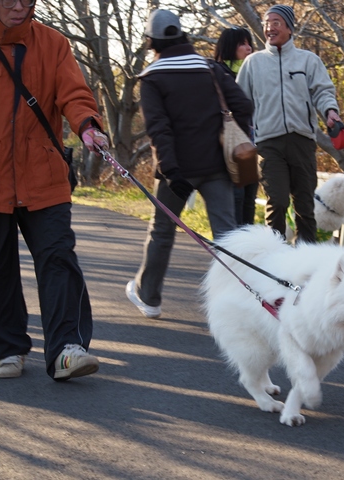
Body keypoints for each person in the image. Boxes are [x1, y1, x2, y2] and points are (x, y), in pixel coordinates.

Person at [0, 0, 108, 380]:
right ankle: (8, 348)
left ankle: (66, 349)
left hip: (43, 175)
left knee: (58, 257)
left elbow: (73, 93)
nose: (19, 6)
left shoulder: (54, 44)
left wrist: (87, 125)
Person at [126, 9, 253, 319]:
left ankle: (150, 298)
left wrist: (170, 170)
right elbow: (243, 106)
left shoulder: (153, 78)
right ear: (182, 35)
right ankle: (241, 302)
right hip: (218, 167)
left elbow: (159, 128)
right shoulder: (209, 68)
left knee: (162, 232)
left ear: (152, 41)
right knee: (227, 236)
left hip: (177, 172)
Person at [236, 5, 342, 243]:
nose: (269, 27)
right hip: (267, 143)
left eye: (276, 22)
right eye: (266, 23)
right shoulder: (253, 63)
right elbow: (240, 102)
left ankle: (307, 258)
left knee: (304, 203)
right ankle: (273, 258)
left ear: (289, 28)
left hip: (301, 140)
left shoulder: (309, 61)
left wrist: (330, 112)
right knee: (278, 201)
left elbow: (323, 92)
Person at [214, 27, 258, 226]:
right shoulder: (218, 73)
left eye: (249, 43)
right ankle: (234, 249)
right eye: (242, 43)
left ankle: (248, 249)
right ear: (230, 46)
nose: (248, 48)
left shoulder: (255, 71)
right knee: (236, 198)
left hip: (252, 145)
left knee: (249, 200)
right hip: (231, 146)